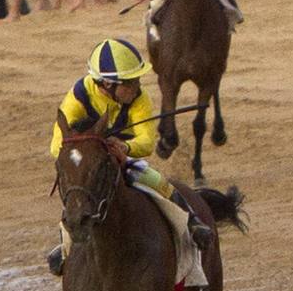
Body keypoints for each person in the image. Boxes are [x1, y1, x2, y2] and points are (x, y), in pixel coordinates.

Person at [45, 38, 213, 277]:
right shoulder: (79, 96)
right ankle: (64, 247)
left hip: (123, 159)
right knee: (78, 191)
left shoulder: (139, 99)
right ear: (107, 84)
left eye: (136, 80)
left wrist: (125, 147)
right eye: (130, 82)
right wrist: (92, 149)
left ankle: (191, 222)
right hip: (90, 160)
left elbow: (146, 142)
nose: (136, 86)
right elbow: (56, 145)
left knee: (156, 180)